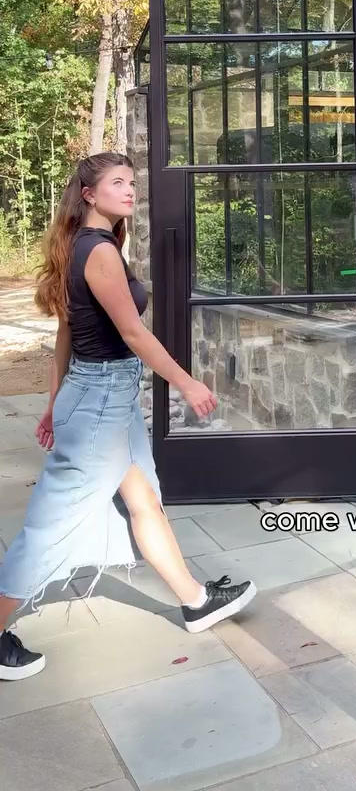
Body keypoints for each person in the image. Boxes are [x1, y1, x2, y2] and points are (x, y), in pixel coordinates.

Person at [0, 152, 256, 681]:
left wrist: (53, 404)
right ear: (89, 194)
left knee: (145, 501)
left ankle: (195, 601)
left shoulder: (88, 246)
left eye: (132, 182)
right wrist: (185, 382)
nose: (130, 190)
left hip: (101, 401)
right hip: (99, 407)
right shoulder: (98, 252)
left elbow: (67, 335)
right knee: (47, 529)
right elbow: (134, 334)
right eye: (118, 183)